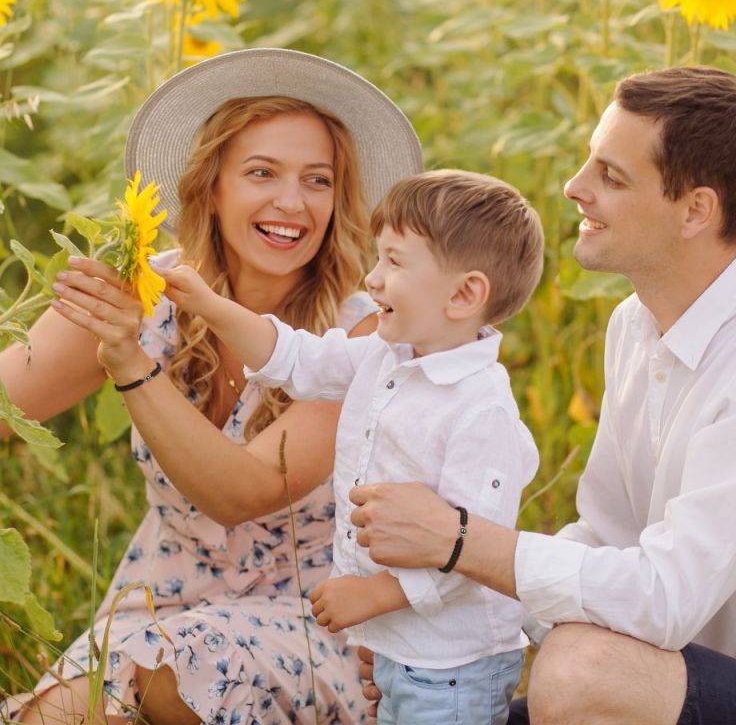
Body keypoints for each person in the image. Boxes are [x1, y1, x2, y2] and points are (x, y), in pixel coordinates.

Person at [348, 66, 736, 725]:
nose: (574, 186)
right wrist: (443, 639)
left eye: (611, 176)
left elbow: (667, 599)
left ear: (695, 211)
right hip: (665, 672)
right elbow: (604, 537)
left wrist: (460, 542)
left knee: (581, 671)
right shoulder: (634, 324)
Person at [0, 48, 422, 725]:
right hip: (159, 599)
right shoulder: (148, 291)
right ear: (211, 185)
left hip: (317, 619)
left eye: (317, 180)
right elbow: (5, 402)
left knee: (179, 668)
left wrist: (127, 361)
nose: (292, 202)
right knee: (51, 717)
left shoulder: (365, 332)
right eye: (262, 172)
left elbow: (242, 494)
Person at [153, 168, 545, 725]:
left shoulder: (481, 412)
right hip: (397, 644)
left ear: (463, 295)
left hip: (452, 664)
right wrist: (209, 305)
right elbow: (298, 359)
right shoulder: (387, 356)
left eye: (395, 262)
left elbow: (473, 553)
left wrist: (373, 594)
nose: (373, 279)